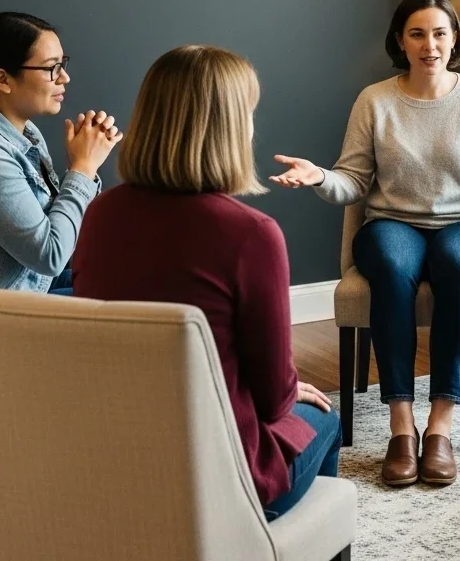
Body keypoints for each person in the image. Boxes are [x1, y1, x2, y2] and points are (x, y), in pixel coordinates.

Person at [270, 0, 460, 488]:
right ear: (400, 42)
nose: (429, 44)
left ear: (454, 39)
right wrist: (320, 176)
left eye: (439, 33)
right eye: (417, 34)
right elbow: (354, 182)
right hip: (392, 223)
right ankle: (402, 427)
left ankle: (440, 429)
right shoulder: (375, 100)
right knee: (391, 265)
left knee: (454, 263)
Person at [72, 46, 339, 519]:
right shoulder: (250, 234)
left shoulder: (98, 214)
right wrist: (290, 388)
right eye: (250, 113)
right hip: (218, 472)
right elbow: (275, 399)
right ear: (232, 126)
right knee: (325, 417)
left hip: (120, 455)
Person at [0, 12, 120, 293]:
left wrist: (84, 166)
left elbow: (63, 240)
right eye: (51, 68)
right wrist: (82, 169)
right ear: (3, 80)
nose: (64, 77)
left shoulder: (25, 132)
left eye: (62, 64)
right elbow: (50, 255)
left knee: (140, 286)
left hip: (32, 287)